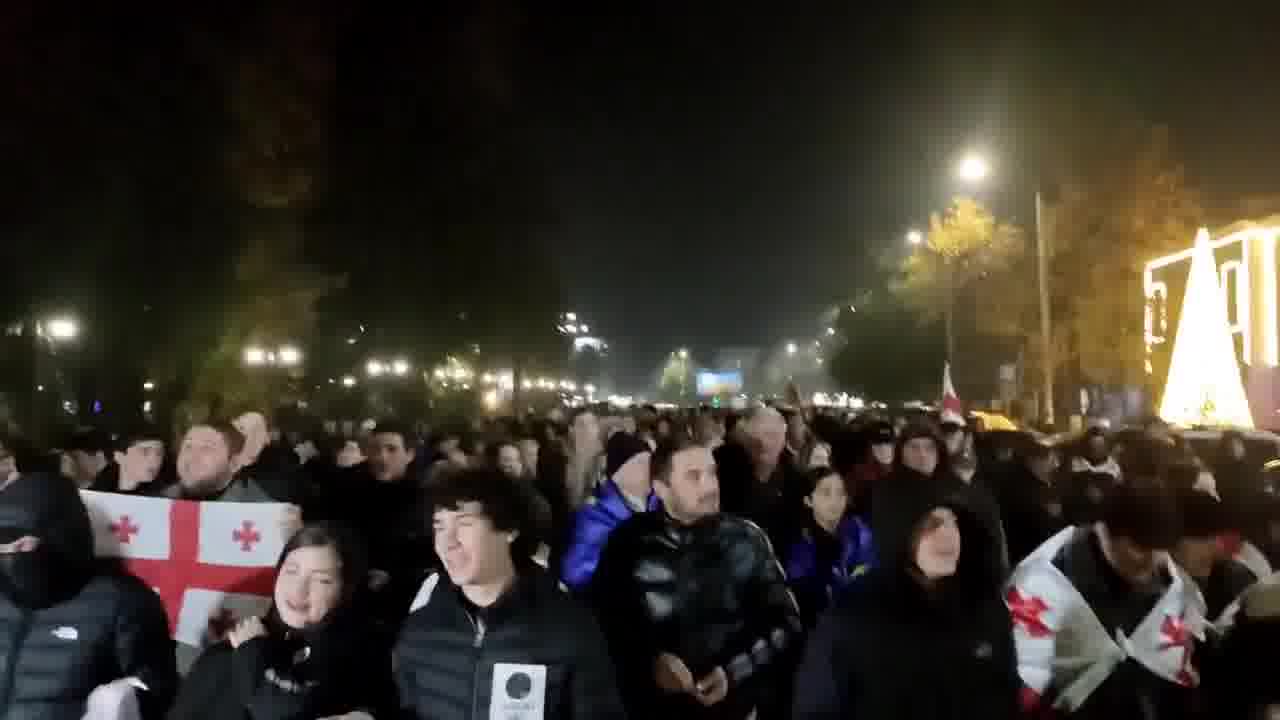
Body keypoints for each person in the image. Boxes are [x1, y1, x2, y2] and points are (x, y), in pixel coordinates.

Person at [592, 435, 802, 720]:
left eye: (712, 473)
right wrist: (648, 662)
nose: (710, 486)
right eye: (694, 476)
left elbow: (786, 621)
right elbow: (604, 622)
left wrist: (733, 671)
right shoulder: (627, 543)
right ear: (661, 488)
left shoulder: (746, 539)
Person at [394, 468, 625, 720]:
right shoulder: (421, 629)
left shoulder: (568, 628)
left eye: (464, 523)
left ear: (510, 529)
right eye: (439, 526)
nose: (448, 541)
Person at [792, 472, 1019, 720]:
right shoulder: (854, 616)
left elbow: (1005, 695)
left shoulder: (985, 606)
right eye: (932, 524)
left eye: (954, 522)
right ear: (899, 531)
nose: (949, 535)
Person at [1007, 483, 1204, 720]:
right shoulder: (1045, 580)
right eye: (1140, 548)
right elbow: (1021, 681)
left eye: (1161, 549)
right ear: (1105, 531)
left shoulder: (1166, 578)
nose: (1153, 562)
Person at [0, 472, 178, 719]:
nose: (11, 555)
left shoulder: (123, 601)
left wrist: (128, 700)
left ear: (60, 538)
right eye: (2, 544)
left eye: (23, 544)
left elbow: (159, 686)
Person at [169, 523, 390, 720]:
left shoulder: (359, 656)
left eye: (322, 580)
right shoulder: (228, 652)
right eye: (291, 571)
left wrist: (251, 652)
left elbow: (283, 709)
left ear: (346, 588)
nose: (298, 590)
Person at [561, 431, 659, 592]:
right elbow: (574, 573)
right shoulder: (595, 515)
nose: (649, 470)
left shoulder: (656, 501)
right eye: (640, 464)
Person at [783, 466, 875, 628]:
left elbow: (871, 567)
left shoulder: (857, 529)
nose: (835, 500)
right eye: (826, 493)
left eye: (840, 493)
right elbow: (808, 601)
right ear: (808, 500)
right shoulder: (800, 547)